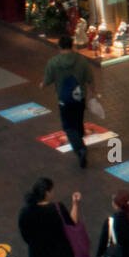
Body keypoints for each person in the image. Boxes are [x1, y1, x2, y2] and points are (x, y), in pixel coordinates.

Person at [40, 35, 97, 168]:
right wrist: (93, 93)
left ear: (59, 47)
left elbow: (47, 80)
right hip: (79, 98)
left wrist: (42, 85)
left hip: (64, 100)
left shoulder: (53, 62)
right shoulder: (81, 60)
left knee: (68, 127)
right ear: (72, 45)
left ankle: (80, 149)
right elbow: (90, 78)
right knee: (77, 121)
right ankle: (80, 138)